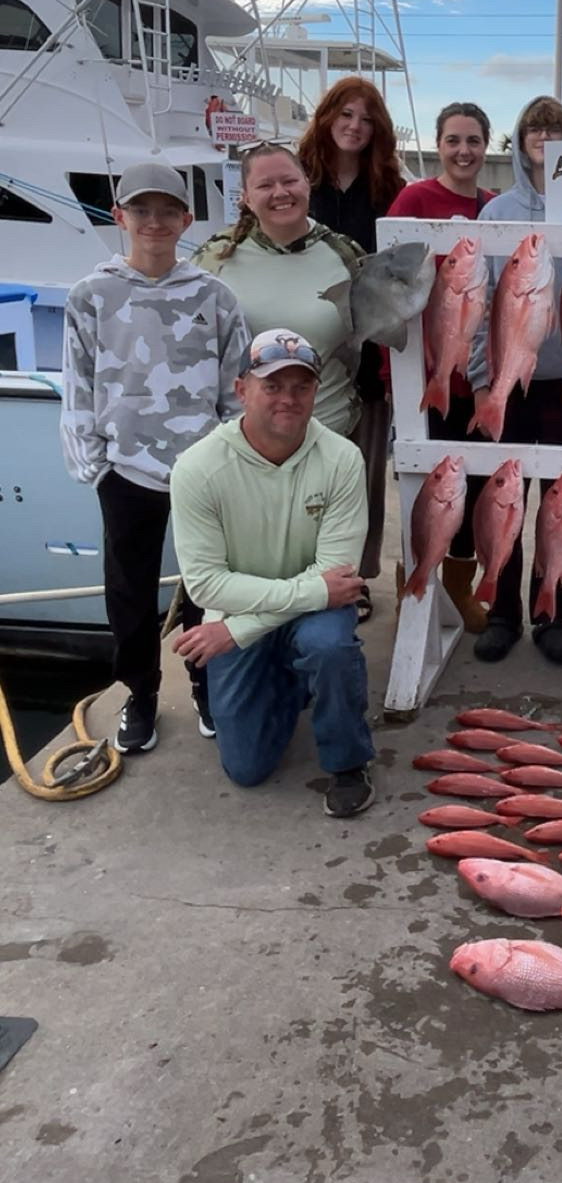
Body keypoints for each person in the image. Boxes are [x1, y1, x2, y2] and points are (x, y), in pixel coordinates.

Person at [59, 160, 250, 754]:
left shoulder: (215, 296)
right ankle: (138, 695)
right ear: (119, 217)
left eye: (168, 210)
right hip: (128, 471)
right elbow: (79, 385)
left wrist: (227, 455)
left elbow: (235, 387)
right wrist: (93, 462)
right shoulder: (90, 296)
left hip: (201, 472)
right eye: (141, 210)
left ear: (187, 220)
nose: (155, 221)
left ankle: (205, 685)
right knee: (130, 595)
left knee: (205, 589)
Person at [170, 328, 375, 819]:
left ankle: (349, 762)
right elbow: (205, 585)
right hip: (266, 603)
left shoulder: (343, 459)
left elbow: (336, 575)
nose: (288, 398)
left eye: (301, 386)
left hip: (287, 615)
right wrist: (306, 595)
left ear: (315, 392)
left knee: (329, 645)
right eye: (272, 385)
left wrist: (235, 630)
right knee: (246, 767)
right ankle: (295, 681)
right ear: (241, 390)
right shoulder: (197, 468)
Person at [468, 95, 562, 668]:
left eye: (554, 127)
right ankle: (501, 613)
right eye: (534, 127)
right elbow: (476, 306)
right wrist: (481, 382)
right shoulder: (496, 212)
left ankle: (555, 618)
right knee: (500, 504)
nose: (544, 135)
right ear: (519, 137)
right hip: (505, 380)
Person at [195, 143, 368, 596]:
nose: (280, 193)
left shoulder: (345, 254)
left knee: (321, 579)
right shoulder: (215, 259)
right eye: (265, 185)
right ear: (246, 196)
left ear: (307, 184)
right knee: (251, 569)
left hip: (327, 436)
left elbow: (374, 335)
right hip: (242, 444)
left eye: (289, 180)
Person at [298, 76, 408, 591]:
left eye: (366, 119)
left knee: (362, 472)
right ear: (327, 117)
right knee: (305, 471)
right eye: (346, 114)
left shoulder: (391, 191)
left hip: (369, 352)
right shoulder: (297, 183)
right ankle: (304, 572)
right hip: (307, 350)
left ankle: (355, 578)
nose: (355, 126)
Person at [388, 101, 494, 630]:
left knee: (473, 487)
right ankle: (414, 580)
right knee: (427, 486)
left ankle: (458, 587)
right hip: (429, 373)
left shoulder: (496, 208)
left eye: (473, 140)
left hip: (478, 378)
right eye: (453, 140)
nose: (463, 151)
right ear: (438, 145)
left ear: (486, 147)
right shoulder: (414, 199)